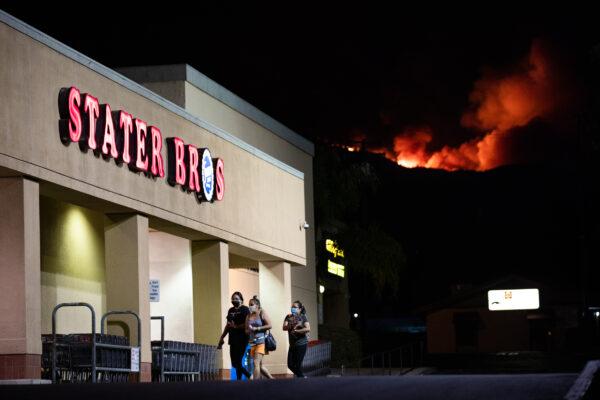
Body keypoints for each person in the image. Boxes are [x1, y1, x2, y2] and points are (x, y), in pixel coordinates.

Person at [218, 291, 251, 380]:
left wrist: (236, 326)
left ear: (241, 300)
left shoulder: (245, 309)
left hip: (242, 338)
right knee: (234, 363)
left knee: (238, 361)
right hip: (232, 339)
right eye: (233, 298)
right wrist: (222, 337)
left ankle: (248, 376)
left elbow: (247, 324)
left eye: (236, 299)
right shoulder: (231, 310)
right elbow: (228, 325)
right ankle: (240, 380)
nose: (234, 300)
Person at [245, 296, 274, 379]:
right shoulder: (248, 316)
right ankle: (272, 380)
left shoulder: (262, 312)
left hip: (261, 342)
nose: (250, 306)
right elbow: (246, 330)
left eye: (252, 304)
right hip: (252, 343)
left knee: (255, 363)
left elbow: (270, 325)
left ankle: (255, 384)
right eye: (249, 305)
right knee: (260, 366)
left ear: (257, 305)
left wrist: (257, 328)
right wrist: (250, 330)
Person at [283, 300, 310, 378]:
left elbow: (308, 328)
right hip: (292, 345)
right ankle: (302, 377)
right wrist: (290, 326)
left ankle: (301, 379)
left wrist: (297, 331)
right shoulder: (288, 317)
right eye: (292, 307)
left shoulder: (302, 317)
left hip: (301, 344)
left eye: (295, 307)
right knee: (290, 365)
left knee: (297, 365)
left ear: (300, 309)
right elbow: (284, 327)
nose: (293, 308)